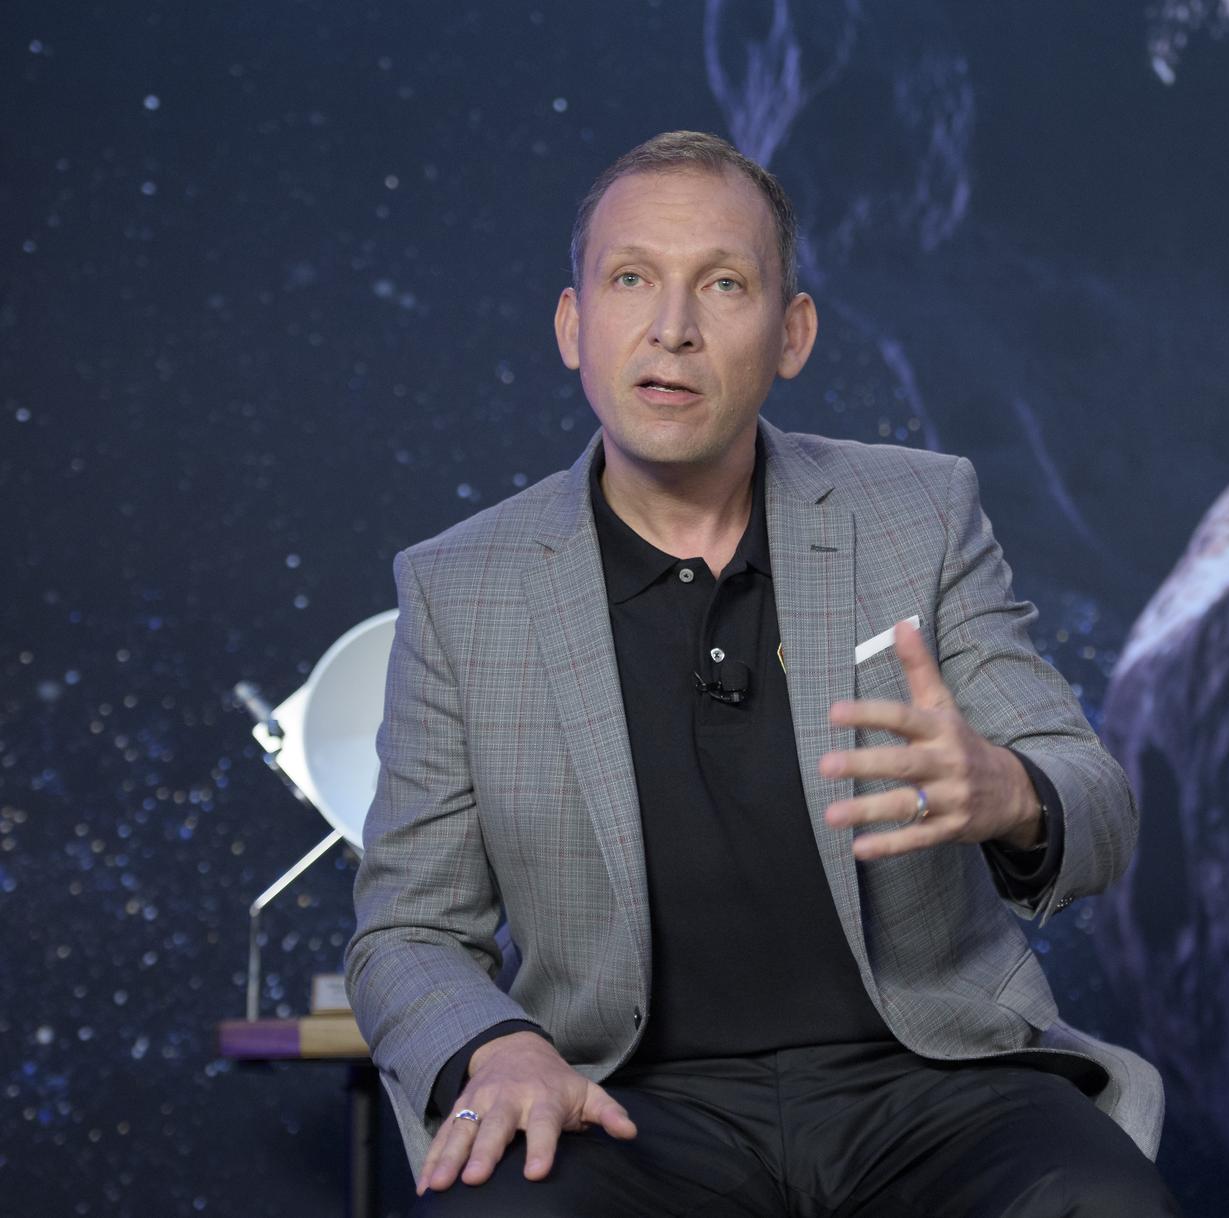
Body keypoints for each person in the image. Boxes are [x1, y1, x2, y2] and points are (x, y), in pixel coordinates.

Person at [345, 131, 1180, 1216]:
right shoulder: (461, 587)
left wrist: (1011, 794)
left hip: (930, 1087)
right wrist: (496, 1049)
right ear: (572, 326)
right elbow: (407, 928)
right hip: (629, 1105)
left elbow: (1098, 806)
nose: (672, 327)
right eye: (631, 279)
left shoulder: (916, 514)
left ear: (791, 334)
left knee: (1097, 1205)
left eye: (722, 284)